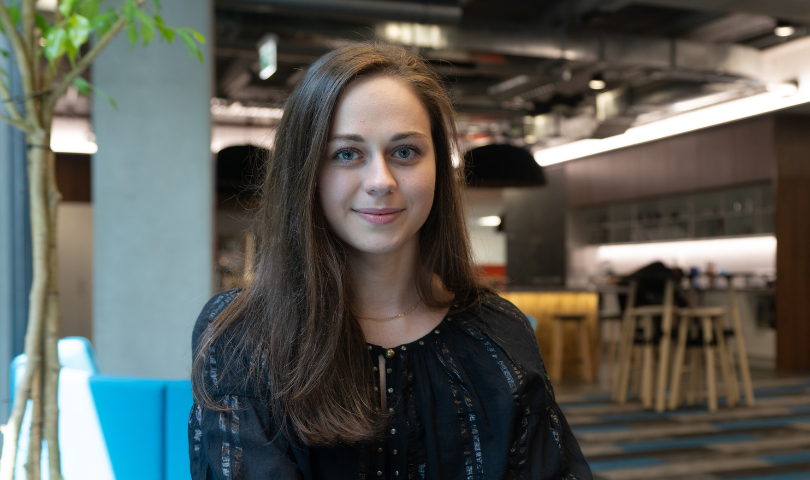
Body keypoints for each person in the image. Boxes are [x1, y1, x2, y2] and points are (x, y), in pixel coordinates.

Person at [188, 42, 590, 480]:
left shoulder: (499, 332)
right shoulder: (242, 337)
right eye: (347, 153)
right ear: (305, 173)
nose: (380, 181)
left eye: (405, 152)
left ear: (439, 166)